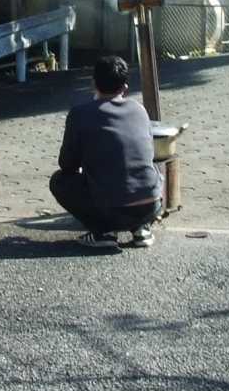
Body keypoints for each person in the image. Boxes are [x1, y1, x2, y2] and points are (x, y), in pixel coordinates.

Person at [50, 55, 163, 250]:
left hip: (112, 208)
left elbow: (67, 164)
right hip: (151, 203)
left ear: (93, 83)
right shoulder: (139, 110)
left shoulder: (80, 114)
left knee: (60, 181)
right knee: (150, 172)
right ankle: (141, 229)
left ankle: (103, 231)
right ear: (125, 87)